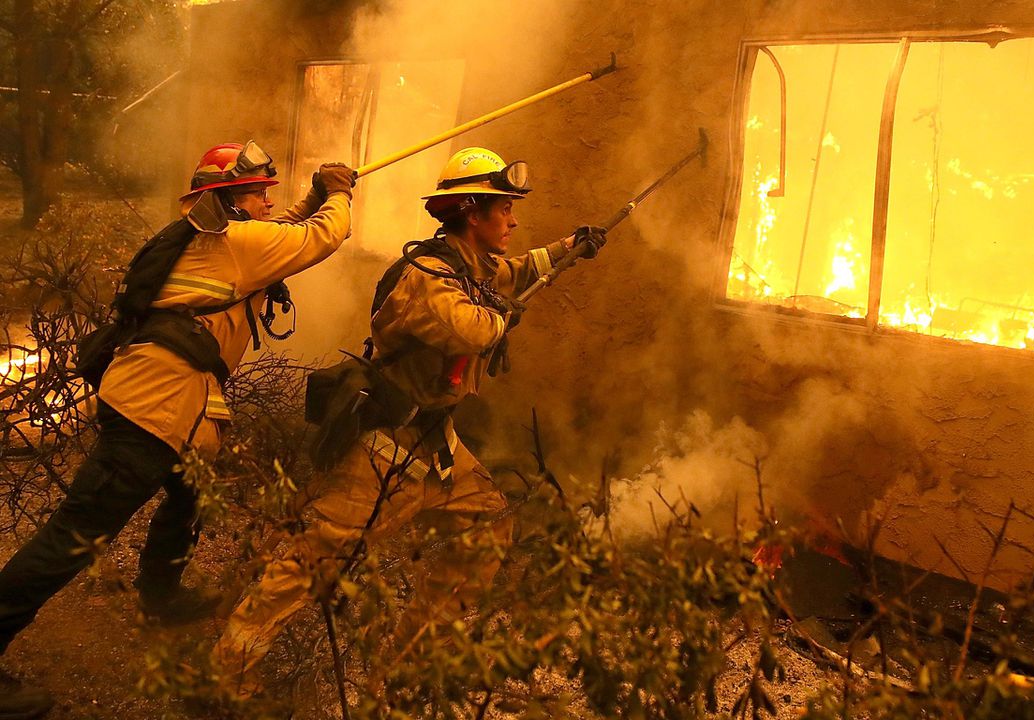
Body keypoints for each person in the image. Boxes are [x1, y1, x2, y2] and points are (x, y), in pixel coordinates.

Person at [211, 146, 606, 695]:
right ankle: (226, 673)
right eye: (505, 209)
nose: (514, 220)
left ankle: (406, 661)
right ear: (472, 211)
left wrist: (568, 249)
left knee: (489, 526)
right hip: (383, 451)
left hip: (434, 446)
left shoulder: (472, 263)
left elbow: (512, 276)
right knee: (314, 563)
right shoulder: (427, 275)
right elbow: (472, 328)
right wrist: (502, 316)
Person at [0, 141, 356, 717]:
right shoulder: (234, 243)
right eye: (257, 193)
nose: (267, 201)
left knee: (188, 496)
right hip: (151, 412)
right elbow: (315, 239)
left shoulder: (216, 238)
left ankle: (160, 596)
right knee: (73, 539)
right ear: (229, 200)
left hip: (171, 410)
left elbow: (280, 232)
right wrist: (337, 195)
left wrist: (312, 196)